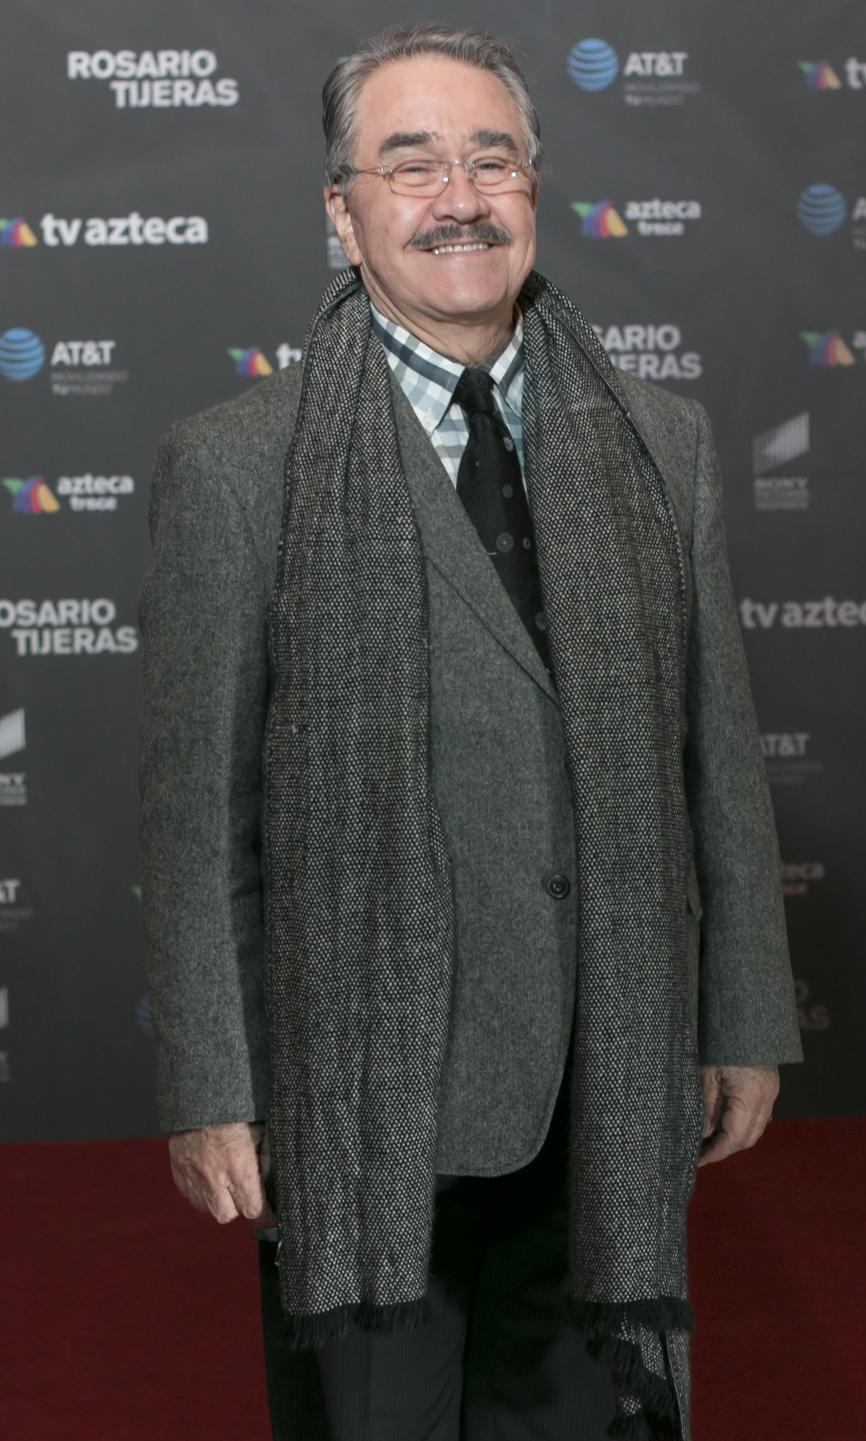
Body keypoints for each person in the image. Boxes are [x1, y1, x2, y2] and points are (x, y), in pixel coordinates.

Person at [138, 24, 803, 1441]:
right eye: (410, 160)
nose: (459, 194)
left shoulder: (657, 442)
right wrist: (212, 1083)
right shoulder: (238, 467)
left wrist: (743, 1008)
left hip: (607, 1071)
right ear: (343, 210)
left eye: (490, 156)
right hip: (365, 1096)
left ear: (535, 187)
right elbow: (200, 814)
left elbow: (717, 762)